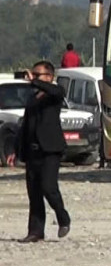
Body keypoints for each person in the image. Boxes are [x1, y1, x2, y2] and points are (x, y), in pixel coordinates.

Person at [10, 61, 71, 242]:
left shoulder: (55, 94)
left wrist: (34, 81)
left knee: (48, 187)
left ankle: (63, 218)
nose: (34, 78)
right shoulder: (33, 98)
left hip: (50, 149)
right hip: (33, 151)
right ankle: (36, 231)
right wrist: (16, 149)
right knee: (34, 192)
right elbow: (25, 125)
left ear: (49, 77)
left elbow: (56, 91)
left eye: (38, 75)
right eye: (33, 75)